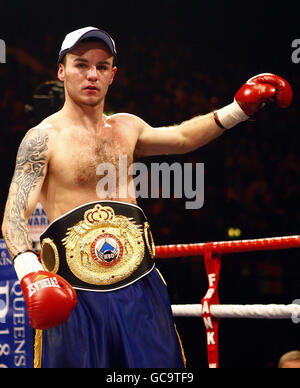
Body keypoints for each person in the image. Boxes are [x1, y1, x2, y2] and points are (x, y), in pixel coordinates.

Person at [1, 26, 293, 368]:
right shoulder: (42, 139)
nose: (92, 74)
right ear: (62, 71)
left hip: (139, 284)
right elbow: (14, 216)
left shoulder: (128, 127)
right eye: (81, 64)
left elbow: (182, 137)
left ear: (113, 74)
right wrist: (30, 271)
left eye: (102, 66)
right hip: (75, 291)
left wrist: (238, 110)